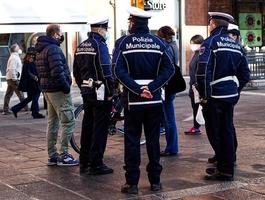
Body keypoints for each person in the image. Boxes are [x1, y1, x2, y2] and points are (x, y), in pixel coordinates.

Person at [113, 7, 175, 194]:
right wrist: (152, 87)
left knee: (132, 140)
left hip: (133, 100)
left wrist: (138, 89)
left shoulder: (123, 42)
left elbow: (118, 71)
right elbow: (169, 70)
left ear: (132, 23)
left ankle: (132, 183)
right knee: (153, 140)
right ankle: (155, 181)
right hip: (154, 100)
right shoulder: (159, 43)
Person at [196, 12, 250, 181]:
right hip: (230, 95)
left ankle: (223, 169)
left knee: (215, 132)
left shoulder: (210, 42)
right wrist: (235, 89)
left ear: (213, 24)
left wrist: (204, 95)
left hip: (214, 95)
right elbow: (245, 74)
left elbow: (203, 72)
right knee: (227, 130)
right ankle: (226, 167)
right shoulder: (236, 45)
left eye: (210, 22)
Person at [73, 17, 115, 175]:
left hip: (87, 90)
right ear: (100, 29)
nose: (106, 32)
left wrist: (83, 86)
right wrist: (111, 92)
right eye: (106, 29)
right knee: (100, 128)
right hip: (101, 91)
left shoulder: (81, 45)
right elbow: (106, 70)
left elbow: (76, 71)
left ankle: (84, 162)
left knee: (87, 125)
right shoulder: (100, 45)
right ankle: (96, 163)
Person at [35, 24, 79, 166]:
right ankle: (63, 154)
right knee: (68, 121)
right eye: (60, 34)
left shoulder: (41, 49)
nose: (61, 36)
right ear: (55, 34)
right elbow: (57, 72)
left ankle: (52, 155)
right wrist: (66, 87)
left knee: (52, 123)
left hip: (48, 90)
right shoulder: (53, 49)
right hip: (58, 91)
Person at [156, 26, 179, 156]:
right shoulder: (173, 45)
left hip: (167, 86)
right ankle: (172, 147)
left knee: (168, 118)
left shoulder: (165, 47)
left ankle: (171, 148)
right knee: (167, 117)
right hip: (171, 85)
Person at [11, 48, 45, 119]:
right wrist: (36, 78)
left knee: (30, 98)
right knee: (35, 97)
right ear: (30, 55)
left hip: (31, 84)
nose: (33, 56)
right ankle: (35, 113)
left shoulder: (27, 62)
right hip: (33, 84)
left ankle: (15, 109)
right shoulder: (29, 62)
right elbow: (30, 73)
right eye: (32, 55)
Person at [185, 35, 204, 135]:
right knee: (195, 106)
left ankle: (196, 126)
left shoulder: (200, 55)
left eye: (195, 43)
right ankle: (196, 126)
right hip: (193, 85)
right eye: (191, 43)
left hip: (196, 86)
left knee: (197, 106)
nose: (193, 45)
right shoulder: (195, 54)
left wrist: (197, 86)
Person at [2, 43, 27, 115]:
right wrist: (15, 78)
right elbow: (12, 69)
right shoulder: (14, 58)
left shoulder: (14, 57)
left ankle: (5, 109)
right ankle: (26, 108)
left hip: (10, 78)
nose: (20, 49)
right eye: (18, 47)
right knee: (20, 93)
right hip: (13, 79)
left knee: (8, 94)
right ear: (15, 49)